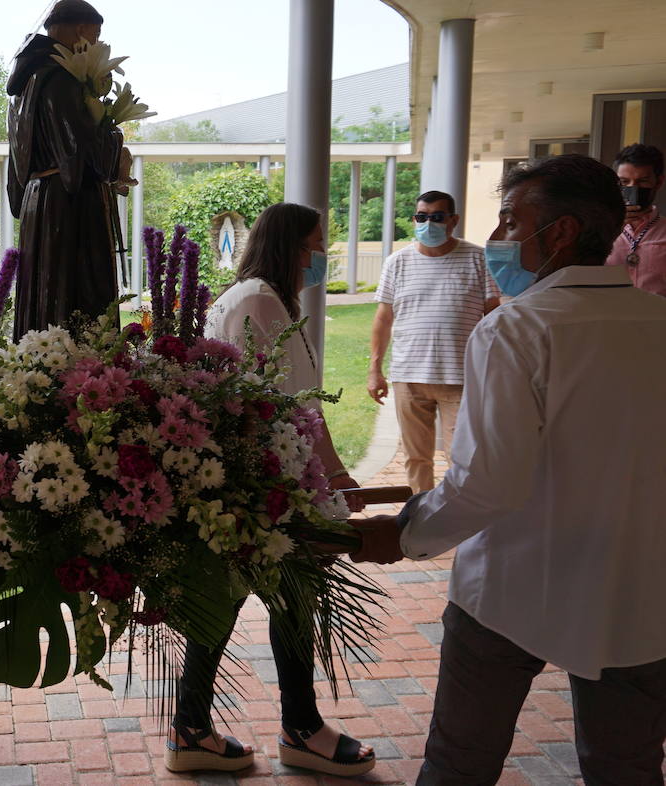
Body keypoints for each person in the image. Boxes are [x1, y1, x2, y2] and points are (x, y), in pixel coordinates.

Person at [351, 154, 666, 785]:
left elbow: (487, 483)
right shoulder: (655, 323)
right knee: (626, 768)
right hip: (638, 592)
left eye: (510, 221)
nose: (498, 238)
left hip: (510, 588)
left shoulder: (517, 330)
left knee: (459, 764)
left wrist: (405, 534)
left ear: (562, 232)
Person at [166, 203, 374, 777]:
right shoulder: (259, 301)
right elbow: (291, 408)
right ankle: (296, 728)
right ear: (288, 247)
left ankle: (199, 728)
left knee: (240, 605)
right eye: (313, 246)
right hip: (266, 490)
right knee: (284, 605)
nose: (319, 258)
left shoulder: (258, 297)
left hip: (262, 485)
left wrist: (332, 474)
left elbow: (295, 402)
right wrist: (330, 474)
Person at [7, 0, 135, 338]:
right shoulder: (62, 78)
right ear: (80, 30)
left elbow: (17, 165)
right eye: (94, 37)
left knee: (43, 294)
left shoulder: (25, 84)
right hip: (70, 209)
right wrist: (113, 140)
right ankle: (81, 377)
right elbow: (77, 155)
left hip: (39, 203)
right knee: (77, 295)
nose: (94, 46)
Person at [367, 191, 500, 492]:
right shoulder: (397, 262)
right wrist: (375, 369)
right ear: (414, 219)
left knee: (463, 458)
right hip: (409, 377)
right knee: (416, 459)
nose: (429, 223)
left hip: (460, 378)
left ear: (453, 220)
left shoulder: (478, 258)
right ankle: (421, 520)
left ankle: (460, 525)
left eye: (437, 217)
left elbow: (494, 317)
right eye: (422, 217)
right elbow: (383, 319)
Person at [605, 142, 665, 297]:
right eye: (624, 182)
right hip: (608, 316)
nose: (633, 189)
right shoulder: (600, 231)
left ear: (658, 182)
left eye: (642, 181)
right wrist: (612, 228)